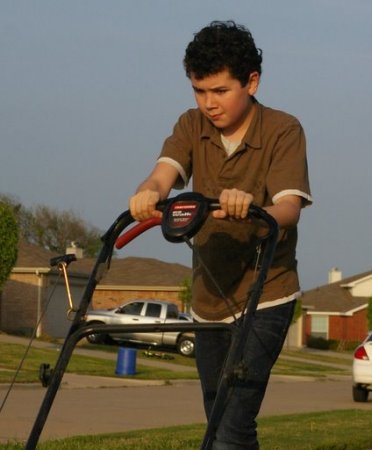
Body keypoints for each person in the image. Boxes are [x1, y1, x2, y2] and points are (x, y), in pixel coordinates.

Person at [129, 20, 312, 450]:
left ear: (252, 81)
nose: (208, 103)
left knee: (231, 423)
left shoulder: (283, 130)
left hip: (267, 294)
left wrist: (251, 207)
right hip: (209, 298)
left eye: (220, 91)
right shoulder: (192, 126)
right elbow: (162, 176)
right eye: (199, 90)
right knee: (220, 419)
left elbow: (288, 209)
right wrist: (147, 193)